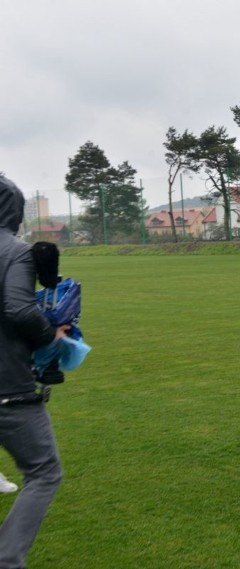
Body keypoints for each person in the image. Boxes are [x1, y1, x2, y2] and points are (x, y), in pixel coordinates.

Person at [0, 173, 66, 569]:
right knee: (44, 472)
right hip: (9, 387)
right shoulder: (17, 251)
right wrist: (51, 336)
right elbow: (19, 309)